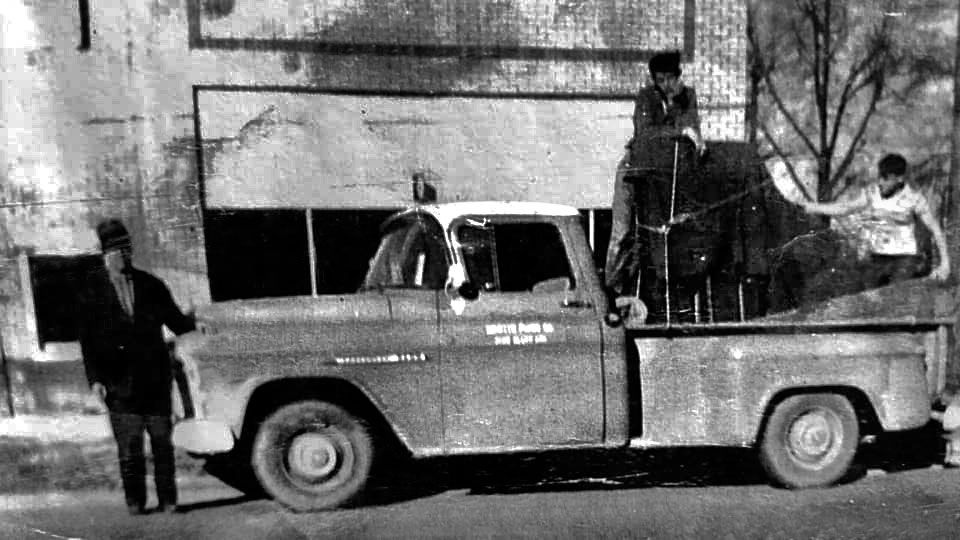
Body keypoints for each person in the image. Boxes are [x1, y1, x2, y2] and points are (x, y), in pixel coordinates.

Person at [78, 219, 195, 515]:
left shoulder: (151, 284)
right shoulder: (91, 291)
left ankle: (168, 501)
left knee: (162, 445)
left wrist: (197, 322)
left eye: (127, 250)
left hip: (155, 381)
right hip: (117, 384)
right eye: (118, 252)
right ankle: (135, 502)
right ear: (105, 255)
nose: (124, 257)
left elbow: (176, 322)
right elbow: (87, 342)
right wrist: (95, 380)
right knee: (130, 451)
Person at [603, 50, 709, 321]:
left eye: (669, 78)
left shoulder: (687, 97)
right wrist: (680, 131)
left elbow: (692, 128)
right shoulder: (646, 97)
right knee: (623, 233)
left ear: (678, 76)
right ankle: (609, 294)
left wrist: (682, 118)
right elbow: (646, 133)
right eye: (659, 80)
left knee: (658, 236)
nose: (665, 85)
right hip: (634, 171)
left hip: (663, 175)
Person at [770, 153, 950, 310]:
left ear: (900, 179)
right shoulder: (872, 193)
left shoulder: (914, 199)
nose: (881, 182)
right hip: (878, 256)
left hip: (904, 258)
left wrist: (945, 264)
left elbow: (936, 230)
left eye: (887, 178)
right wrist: (813, 207)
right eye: (880, 177)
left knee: (896, 297)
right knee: (870, 298)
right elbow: (846, 208)